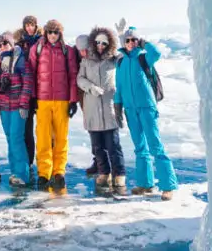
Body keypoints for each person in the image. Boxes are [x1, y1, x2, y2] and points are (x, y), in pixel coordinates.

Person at [115, 28, 178, 200]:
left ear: (138, 41)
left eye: (133, 40)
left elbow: (157, 53)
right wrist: (117, 107)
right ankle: (145, 184)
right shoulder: (120, 62)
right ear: (124, 42)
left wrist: (145, 44)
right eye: (127, 40)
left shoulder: (143, 57)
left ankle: (168, 186)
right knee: (140, 148)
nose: (130, 43)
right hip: (130, 109)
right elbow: (119, 87)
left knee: (155, 146)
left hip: (146, 107)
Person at [25, 19, 79, 189]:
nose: (53, 35)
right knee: (43, 137)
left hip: (62, 100)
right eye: (50, 32)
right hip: (43, 100)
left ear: (60, 34)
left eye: (56, 32)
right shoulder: (37, 49)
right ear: (46, 33)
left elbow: (73, 75)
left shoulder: (67, 51)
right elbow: (31, 74)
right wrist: (32, 97)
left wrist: (73, 100)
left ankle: (59, 172)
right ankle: (44, 173)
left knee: (61, 137)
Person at [76, 28, 127, 195]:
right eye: (98, 42)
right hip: (91, 106)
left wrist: (121, 36)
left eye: (104, 43)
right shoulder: (86, 60)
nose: (100, 45)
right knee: (98, 146)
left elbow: (125, 56)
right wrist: (90, 88)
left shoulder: (113, 59)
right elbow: (80, 79)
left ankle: (119, 174)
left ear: (108, 44)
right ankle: (104, 173)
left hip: (108, 106)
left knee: (113, 145)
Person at [0, 32, 32, 186]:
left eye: (5, 43)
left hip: (17, 107)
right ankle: (15, 172)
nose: (2, 47)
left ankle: (22, 174)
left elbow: (27, 82)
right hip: (3, 107)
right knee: (9, 139)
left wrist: (23, 104)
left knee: (16, 138)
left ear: (11, 43)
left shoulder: (20, 59)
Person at [13, 15, 42, 178]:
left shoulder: (42, 41)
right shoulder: (19, 43)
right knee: (27, 130)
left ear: (36, 26)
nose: (30, 28)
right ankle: (29, 163)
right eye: (27, 25)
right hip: (27, 91)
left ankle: (47, 162)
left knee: (46, 130)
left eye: (32, 25)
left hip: (42, 90)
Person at [74, 34, 99, 178]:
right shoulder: (77, 58)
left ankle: (104, 162)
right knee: (92, 129)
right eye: (80, 50)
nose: (83, 52)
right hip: (85, 98)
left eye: (86, 49)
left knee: (104, 130)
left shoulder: (98, 56)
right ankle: (98, 160)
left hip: (99, 98)